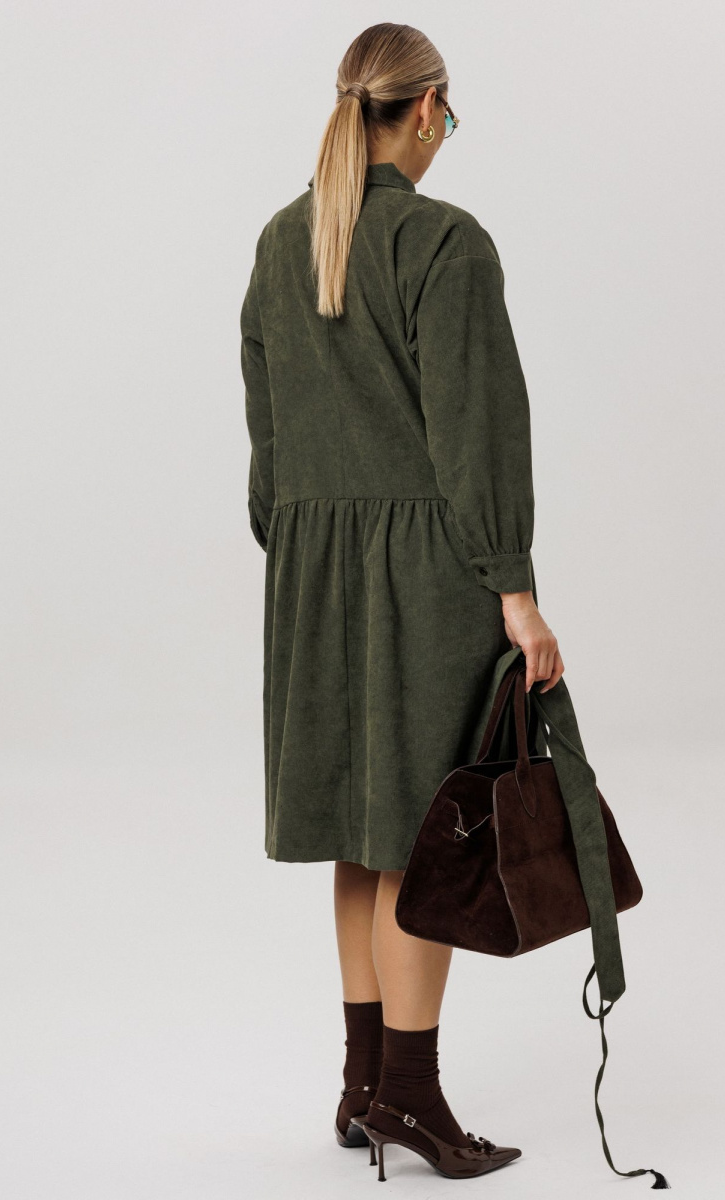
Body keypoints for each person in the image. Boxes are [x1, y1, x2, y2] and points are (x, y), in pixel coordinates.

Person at [241, 22, 564, 1183]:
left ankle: (363, 1085)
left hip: (313, 577)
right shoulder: (443, 242)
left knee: (363, 831)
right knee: (422, 836)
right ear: (425, 107)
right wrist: (513, 591)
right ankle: (410, 1098)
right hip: (422, 576)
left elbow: (266, 434)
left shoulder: (282, 240)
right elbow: (477, 433)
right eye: (447, 113)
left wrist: (300, 544)